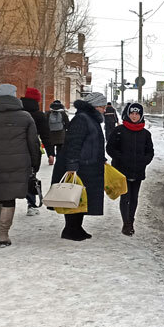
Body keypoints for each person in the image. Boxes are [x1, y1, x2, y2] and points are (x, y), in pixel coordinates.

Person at [0, 84, 41, 248]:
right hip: (19, 162)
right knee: (9, 197)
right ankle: (3, 234)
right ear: (14, 96)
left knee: (0, 193)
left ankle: (0, 222)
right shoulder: (26, 117)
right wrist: (35, 163)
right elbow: (33, 143)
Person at [52, 92, 108, 241]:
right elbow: (74, 143)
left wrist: (100, 158)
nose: (104, 109)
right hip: (80, 165)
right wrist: (71, 164)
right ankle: (70, 229)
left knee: (82, 198)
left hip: (88, 165)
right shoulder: (82, 119)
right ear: (94, 106)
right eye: (102, 106)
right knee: (73, 197)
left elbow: (93, 143)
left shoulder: (90, 119)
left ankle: (77, 227)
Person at [106, 103, 154, 235]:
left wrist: (144, 161)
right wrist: (120, 158)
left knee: (134, 198)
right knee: (125, 197)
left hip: (138, 170)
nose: (134, 116)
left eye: (137, 114)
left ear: (141, 115)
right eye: (132, 113)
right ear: (128, 114)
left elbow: (150, 152)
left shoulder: (145, 134)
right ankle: (126, 224)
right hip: (122, 171)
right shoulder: (119, 130)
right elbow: (110, 148)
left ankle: (131, 221)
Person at [21, 87, 53, 215]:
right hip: (31, 150)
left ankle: (4, 206)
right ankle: (31, 205)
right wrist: (51, 153)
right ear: (38, 100)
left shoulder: (17, 112)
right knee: (31, 176)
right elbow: (46, 135)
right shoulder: (39, 115)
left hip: (14, 148)